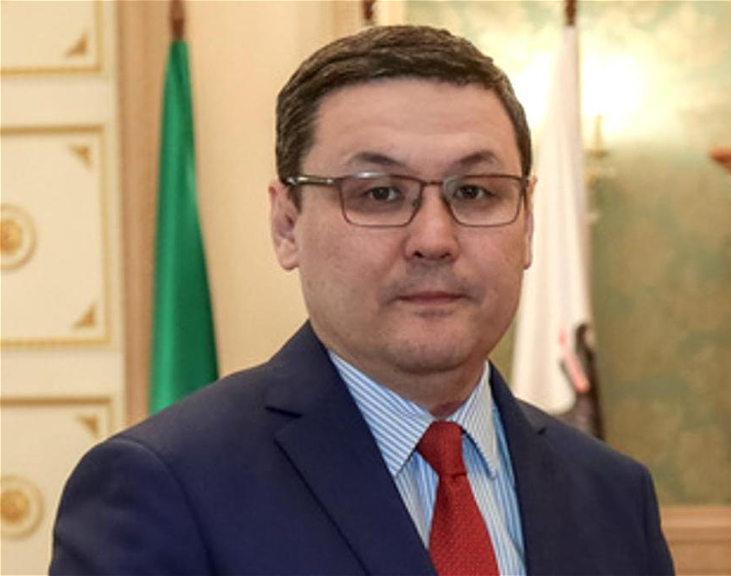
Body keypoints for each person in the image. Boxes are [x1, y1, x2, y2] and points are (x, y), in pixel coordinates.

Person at [50, 25, 674, 576]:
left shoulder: (614, 497)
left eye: (475, 192)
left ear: (528, 223)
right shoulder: (164, 486)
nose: (435, 239)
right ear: (287, 225)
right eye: (379, 194)